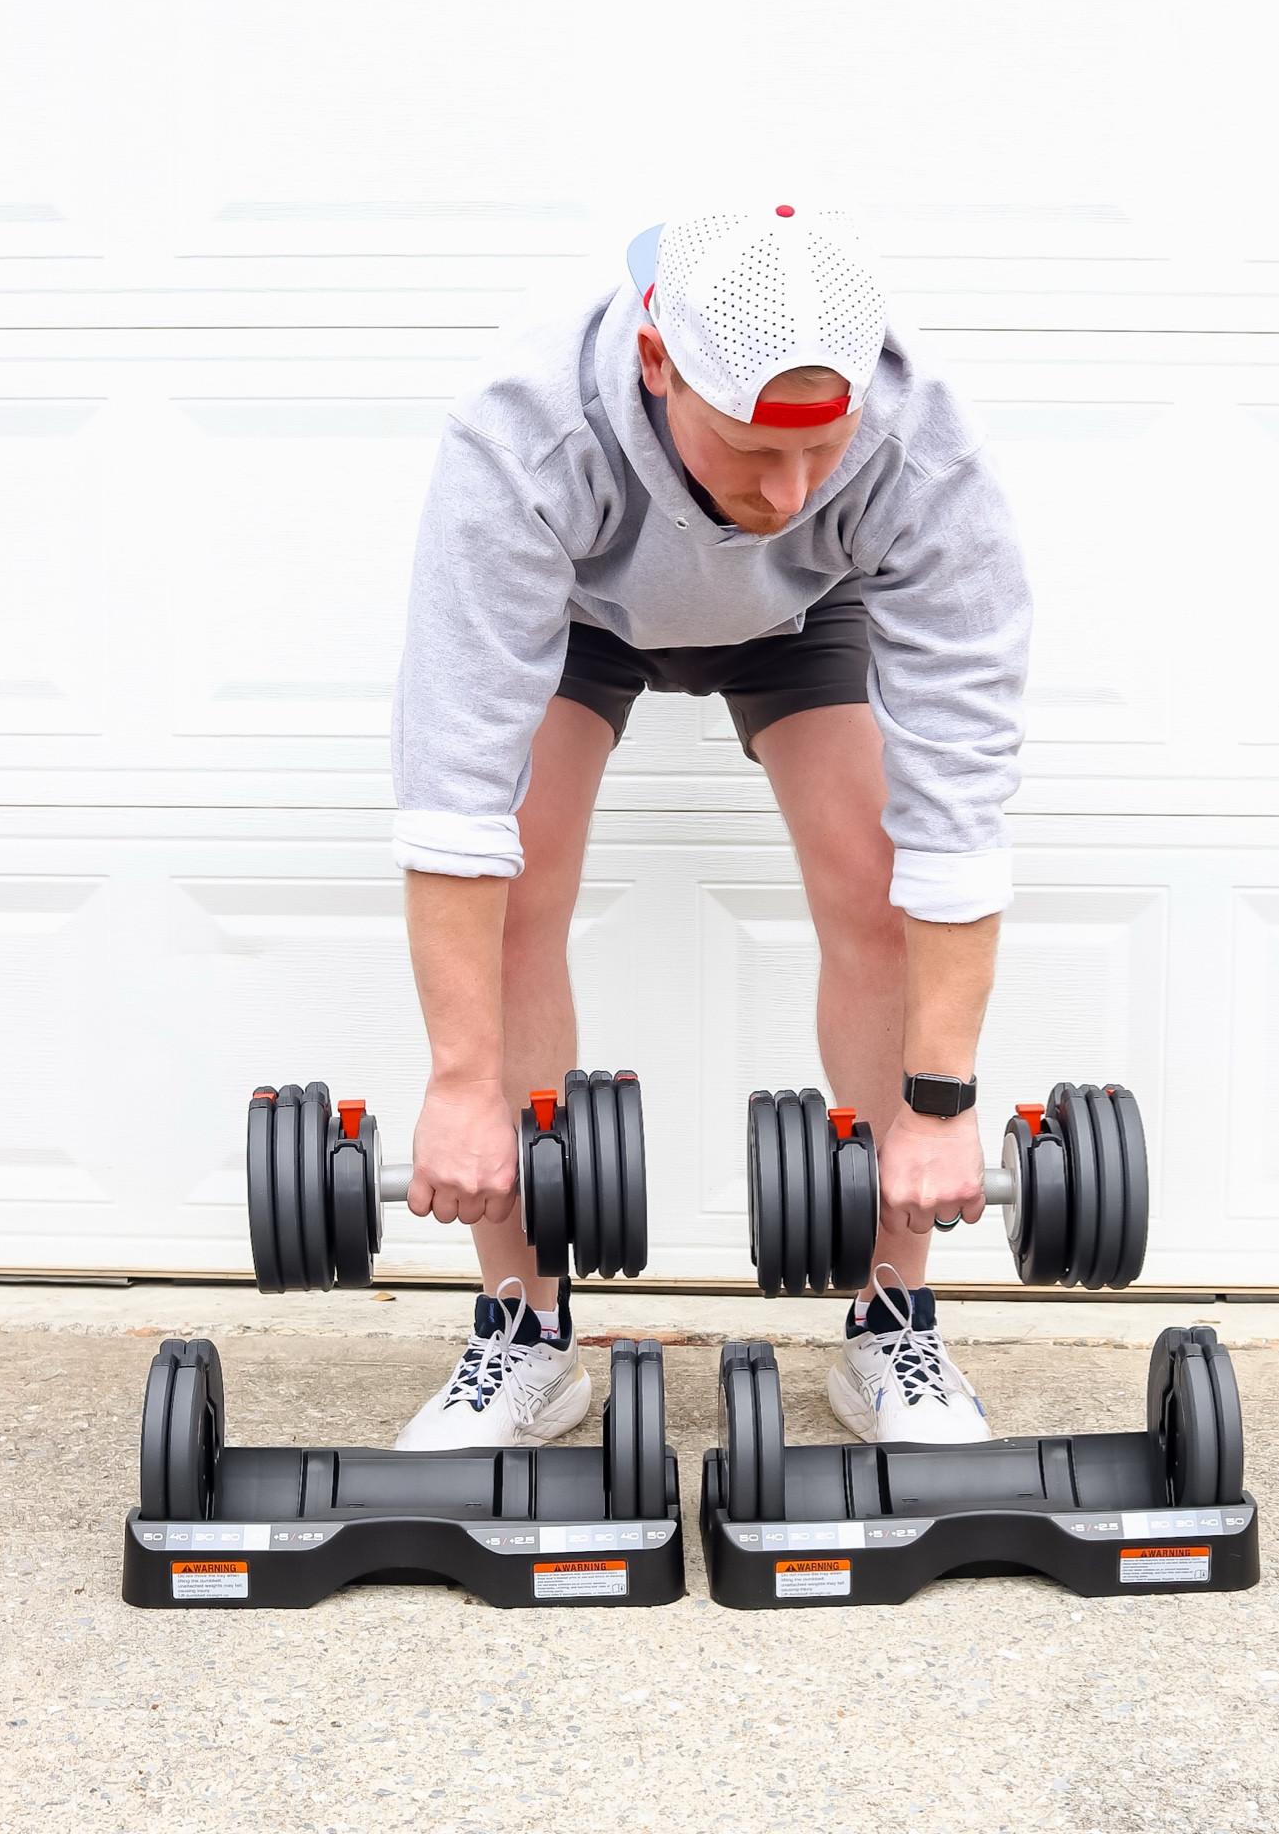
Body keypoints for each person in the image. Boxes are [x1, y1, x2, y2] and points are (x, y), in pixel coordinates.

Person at [387, 205, 1030, 1452]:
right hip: (578, 604)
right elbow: (454, 792)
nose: (787, 493)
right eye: (750, 452)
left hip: (811, 610)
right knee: (521, 884)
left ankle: (893, 1315)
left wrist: (943, 1105)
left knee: (877, 885)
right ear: (656, 365)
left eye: (819, 452)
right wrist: (462, 1084)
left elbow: (961, 794)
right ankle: (522, 1329)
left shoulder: (923, 449)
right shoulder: (523, 433)